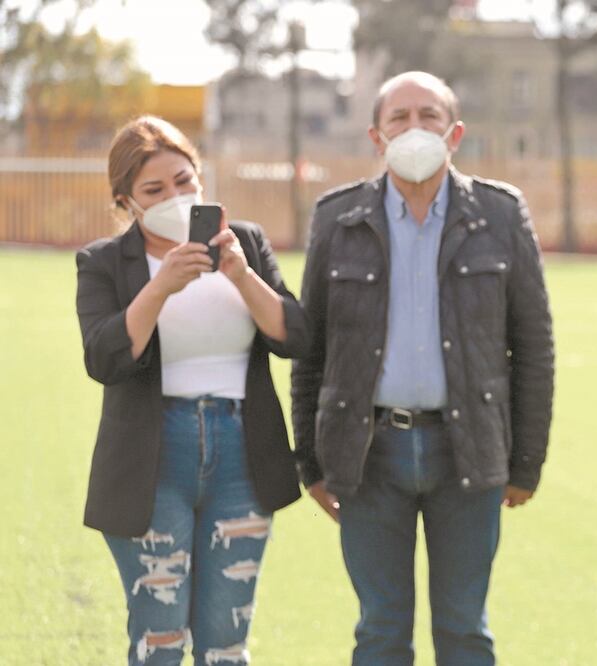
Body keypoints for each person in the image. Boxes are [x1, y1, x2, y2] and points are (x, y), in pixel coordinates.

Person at [291, 71, 554, 665]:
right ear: (375, 137)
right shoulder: (337, 218)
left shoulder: (500, 213)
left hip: (469, 450)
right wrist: (311, 461)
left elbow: (533, 345)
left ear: (454, 132)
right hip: (365, 453)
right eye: (399, 118)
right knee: (380, 629)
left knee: (463, 628)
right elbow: (312, 351)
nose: (414, 128)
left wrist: (526, 462)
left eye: (428, 116)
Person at [75, 116, 309, 666]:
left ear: (200, 180)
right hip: (153, 460)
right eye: (154, 190)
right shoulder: (104, 262)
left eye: (184, 182)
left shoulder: (245, 241)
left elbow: (295, 335)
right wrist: (160, 285)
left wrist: (240, 274)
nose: (174, 197)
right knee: (159, 642)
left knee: (226, 644)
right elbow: (104, 357)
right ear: (126, 201)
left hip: (241, 457)